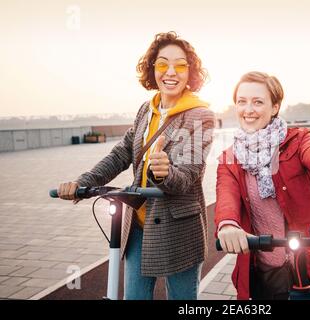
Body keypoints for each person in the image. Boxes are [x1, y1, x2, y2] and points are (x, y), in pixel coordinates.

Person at [58, 32, 215, 300]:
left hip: (179, 231)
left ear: (190, 72)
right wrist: (84, 182)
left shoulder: (201, 116)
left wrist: (164, 171)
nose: (171, 72)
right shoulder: (146, 110)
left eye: (180, 65)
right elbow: (120, 154)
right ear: (153, 68)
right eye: (163, 63)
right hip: (139, 227)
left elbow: (188, 175)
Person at [215, 71, 310, 300]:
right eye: (242, 101)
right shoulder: (229, 158)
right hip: (269, 274)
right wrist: (227, 226)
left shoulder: (297, 139)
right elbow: (226, 198)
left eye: (258, 102)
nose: (248, 109)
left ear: (274, 107)